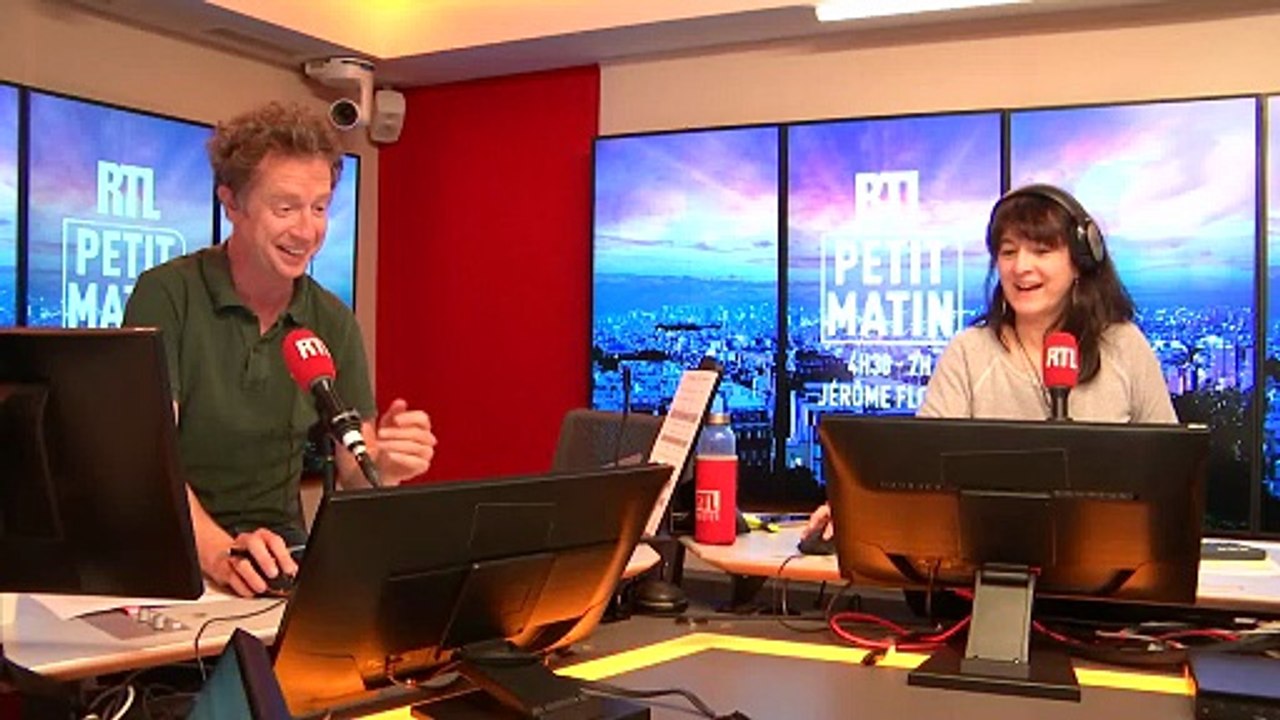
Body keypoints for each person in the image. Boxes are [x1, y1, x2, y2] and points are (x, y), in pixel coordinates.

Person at [124, 102, 437, 598]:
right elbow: (144, 459)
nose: (307, 231)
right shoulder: (168, 294)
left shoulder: (332, 320)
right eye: (285, 208)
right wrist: (218, 553)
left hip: (280, 560)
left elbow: (356, 474)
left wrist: (386, 464)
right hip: (177, 555)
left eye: (319, 208)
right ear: (232, 204)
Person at [805, 183, 1176, 541]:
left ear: (1080, 262)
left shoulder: (1124, 346)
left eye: (1041, 251)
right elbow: (920, 478)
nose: (1021, 267)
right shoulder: (969, 352)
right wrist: (857, 509)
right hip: (981, 559)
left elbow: (1170, 473)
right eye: (1008, 252)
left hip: (1107, 560)